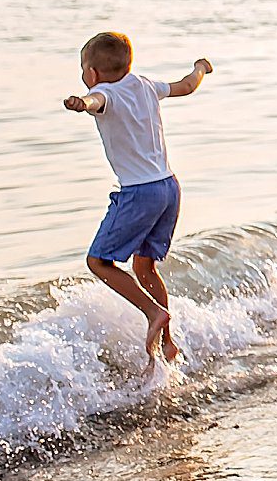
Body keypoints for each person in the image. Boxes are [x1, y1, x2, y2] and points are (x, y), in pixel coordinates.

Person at [62, 32, 213, 367]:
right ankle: (168, 345)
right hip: (168, 188)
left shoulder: (102, 93)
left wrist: (79, 103)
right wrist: (200, 67)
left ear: (91, 74)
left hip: (139, 192)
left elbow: (94, 103)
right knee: (145, 267)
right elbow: (187, 85)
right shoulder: (146, 84)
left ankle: (152, 311)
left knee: (98, 262)